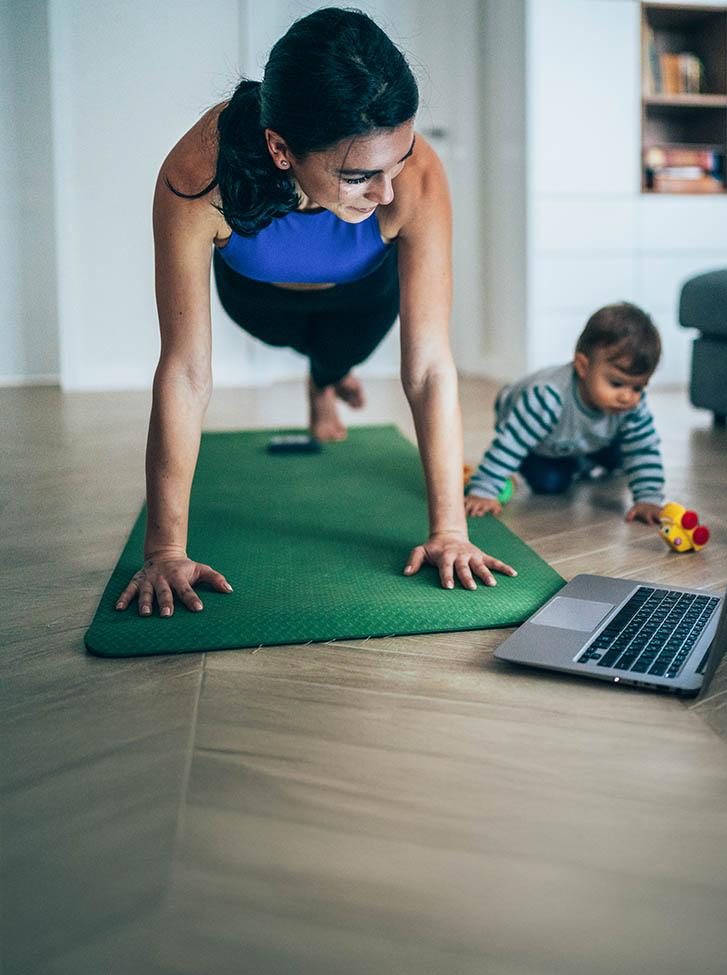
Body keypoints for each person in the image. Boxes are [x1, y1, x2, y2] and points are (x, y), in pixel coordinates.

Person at [115, 8, 516, 619]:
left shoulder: (417, 177)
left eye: (398, 162)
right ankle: (324, 374)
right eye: (360, 176)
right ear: (281, 149)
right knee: (301, 341)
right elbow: (185, 371)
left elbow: (430, 366)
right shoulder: (199, 172)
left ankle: (326, 379)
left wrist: (451, 531)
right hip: (258, 298)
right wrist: (165, 548)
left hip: (361, 296)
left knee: (339, 350)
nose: (387, 192)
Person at [464, 303, 666, 523]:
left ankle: (581, 458)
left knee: (623, 455)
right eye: (616, 383)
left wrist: (648, 498)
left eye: (637, 387)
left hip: (581, 436)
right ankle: (575, 461)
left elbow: (643, 447)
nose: (627, 396)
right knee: (549, 483)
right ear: (583, 366)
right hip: (534, 434)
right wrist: (484, 490)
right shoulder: (547, 398)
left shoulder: (630, 406)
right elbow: (510, 443)